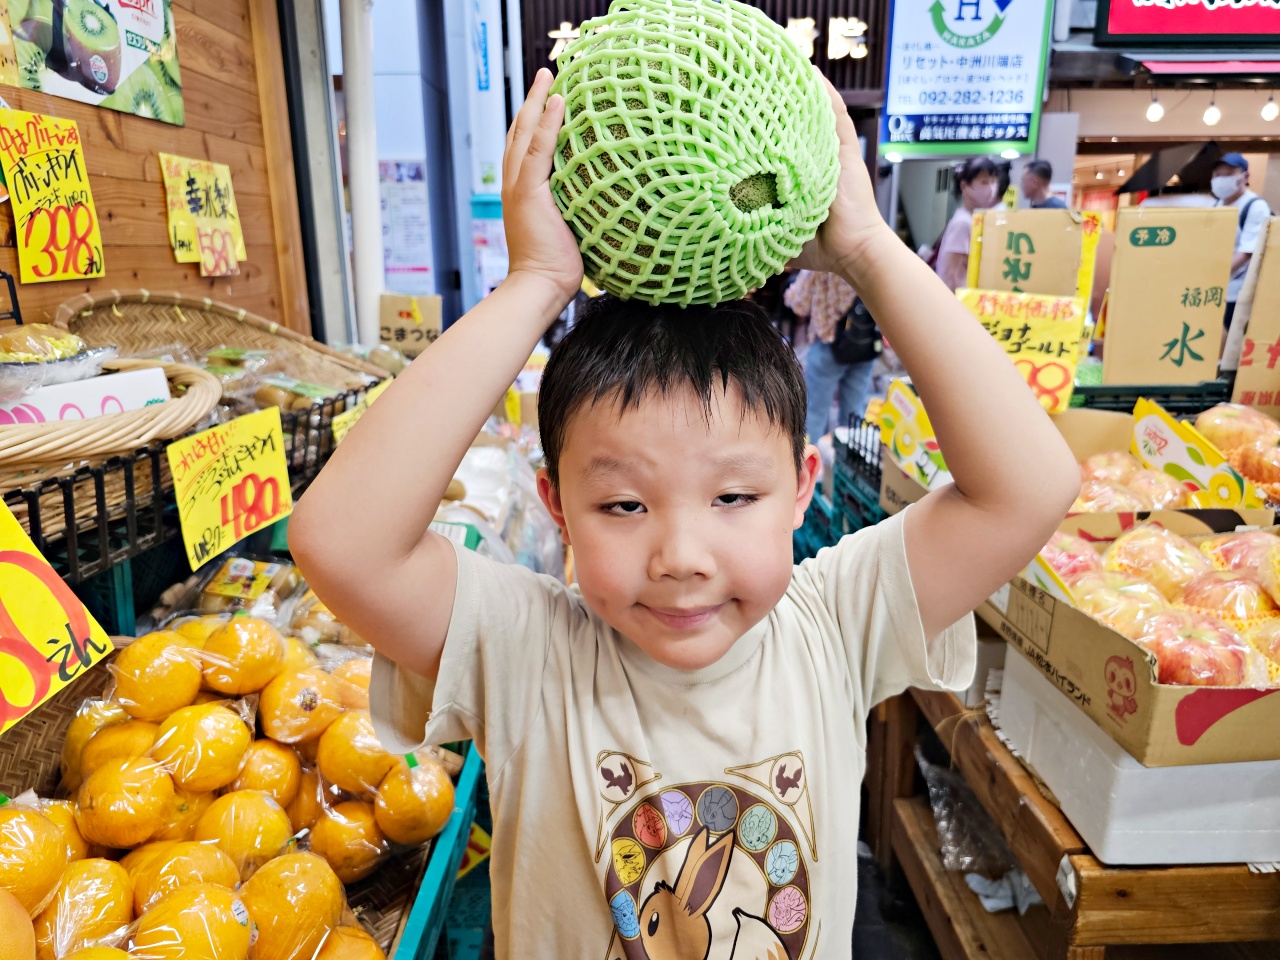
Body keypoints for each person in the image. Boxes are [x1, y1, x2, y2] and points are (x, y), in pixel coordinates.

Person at [288, 67, 1078, 957]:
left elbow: (1030, 486)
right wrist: (536, 283)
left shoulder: (834, 623)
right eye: (623, 503)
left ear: (803, 487)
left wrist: (866, 246)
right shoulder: (527, 650)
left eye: (734, 497)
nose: (681, 554)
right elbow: (338, 541)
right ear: (556, 508)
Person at [784, 268, 876, 441]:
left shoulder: (820, 264)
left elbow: (799, 304)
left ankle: (812, 463)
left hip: (829, 344)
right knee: (853, 413)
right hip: (864, 344)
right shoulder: (868, 259)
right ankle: (848, 460)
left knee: (814, 413)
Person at [1212, 152, 1272, 329]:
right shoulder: (1218, 204)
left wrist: (1215, 275)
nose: (1221, 179)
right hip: (1216, 291)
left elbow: (1247, 252)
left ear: (1245, 176)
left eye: (1228, 174)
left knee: (1230, 343)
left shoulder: (1255, 206)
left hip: (1238, 294)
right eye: (1217, 175)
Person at [935, 156, 1000, 292]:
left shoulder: (974, 219)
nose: (991, 188)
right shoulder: (963, 223)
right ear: (965, 186)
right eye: (984, 182)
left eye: (994, 182)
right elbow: (952, 277)